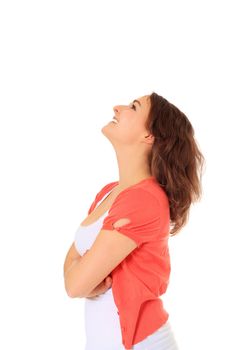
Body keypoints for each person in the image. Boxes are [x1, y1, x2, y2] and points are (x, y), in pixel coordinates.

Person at [64, 92, 205, 349]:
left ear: (148, 136)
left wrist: (81, 280)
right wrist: (79, 278)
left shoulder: (144, 200)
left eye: (133, 106)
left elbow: (74, 284)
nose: (117, 107)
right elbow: (72, 266)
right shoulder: (108, 192)